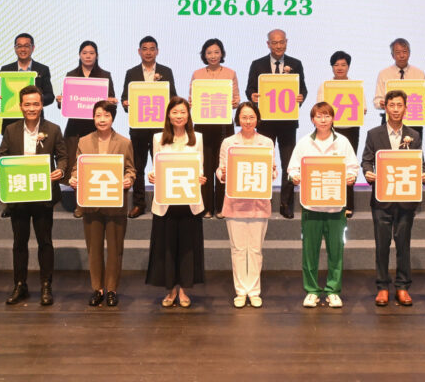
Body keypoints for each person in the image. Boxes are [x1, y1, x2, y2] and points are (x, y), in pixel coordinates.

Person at [0, 85, 67, 306]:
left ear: (41, 105)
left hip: (43, 194)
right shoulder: (11, 130)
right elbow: (1, 155)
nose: (31, 108)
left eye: (35, 104)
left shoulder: (53, 129)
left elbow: (63, 156)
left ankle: (46, 285)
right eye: (27, 104)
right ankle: (20, 285)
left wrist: (61, 170)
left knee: (45, 242)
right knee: (19, 243)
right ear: (20, 106)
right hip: (19, 194)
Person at [361, 89, 425, 307]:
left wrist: (424, 175)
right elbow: (366, 160)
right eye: (392, 105)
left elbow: (420, 162)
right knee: (382, 245)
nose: (396, 109)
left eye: (400, 105)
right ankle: (382, 286)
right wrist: (368, 172)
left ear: (406, 108)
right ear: (385, 107)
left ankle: (402, 286)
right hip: (382, 199)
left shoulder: (414, 135)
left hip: (405, 199)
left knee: (403, 244)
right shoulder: (374, 134)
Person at [288, 102, 359, 308]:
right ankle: (311, 290)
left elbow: (352, 167)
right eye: (319, 116)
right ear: (312, 119)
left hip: (336, 206)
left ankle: (333, 290)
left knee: (336, 251)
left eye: (327, 116)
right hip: (311, 206)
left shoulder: (343, 142)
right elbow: (292, 168)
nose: (323, 120)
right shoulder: (304, 143)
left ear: (333, 118)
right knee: (309, 251)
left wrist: (351, 176)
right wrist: (294, 177)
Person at [69, 100, 135, 307]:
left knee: (115, 249)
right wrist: (74, 178)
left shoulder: (124, 142)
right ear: (93, 118)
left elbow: (131, 169)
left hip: (115, 203)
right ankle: (97, 288)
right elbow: (77, 168)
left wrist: (129, 179)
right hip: (91, 203)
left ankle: (112, 289)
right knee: (94, 248)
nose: (102, 119)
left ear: (112, 118)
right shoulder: (84, 141)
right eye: (98, 115)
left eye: (106, 115)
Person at [145, 97, 207, 308]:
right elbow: (156, 166)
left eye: (182, 112)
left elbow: (200, 167)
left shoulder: (197, 138)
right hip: (166, 201)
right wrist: (152, 175)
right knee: (167, 247)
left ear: (188, 115)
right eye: (175, 112)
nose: (179, 116)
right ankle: (170, 290)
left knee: (188, 247)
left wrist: (200, 178)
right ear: (168, 116)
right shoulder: (158, 138)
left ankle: (183, 290)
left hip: (189, 201)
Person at [215, 102, 275, 308]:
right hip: (235, 203)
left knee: (256, 249)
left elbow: (272, 171)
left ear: (257, 119)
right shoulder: (228, 142)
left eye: (251, 117)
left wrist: (272, 171)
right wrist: (222, 174)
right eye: (244, 117)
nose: (248, 121)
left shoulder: (266, 142)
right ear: (238, 119)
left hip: (258, 202)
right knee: (239, 249)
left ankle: (254, 291)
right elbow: (220, 169)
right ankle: (241, 291)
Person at [246, 29, 308, 219]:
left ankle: (286, 204)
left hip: (288, 123)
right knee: (263, 163)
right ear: (268, 44)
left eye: (281, 42)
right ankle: (262, 201)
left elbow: (303, 89)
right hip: (266, 123)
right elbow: (250, 88)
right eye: (274, 42)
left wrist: (300, 97)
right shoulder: (257, 64)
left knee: (289, 163)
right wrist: (252, 96)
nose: (278, 46)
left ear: (286, 42)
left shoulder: (296, 64)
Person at [120, 36, 178, 219]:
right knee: (138, 166)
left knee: (162, 164)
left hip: (160, 129)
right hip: (138, 129)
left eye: (152, 49)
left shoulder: (166, 72)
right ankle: (139, 204)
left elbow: (173, 97)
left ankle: (163, 201)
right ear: (139, 51)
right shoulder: (131, 73)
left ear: (157, 51)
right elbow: (124, 97)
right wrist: (125, 103)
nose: (148, 52)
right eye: (144, 49)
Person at [61, 40, 117, 218]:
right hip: (75, 129)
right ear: (79, 55)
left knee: (95, 165)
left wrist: (111, 101)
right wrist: (60, 100)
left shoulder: (105, 76)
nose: (88, 56)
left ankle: (97, 202)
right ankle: (79, 204)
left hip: (96, 129)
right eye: (84, 53)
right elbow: (66, 104)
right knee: (76, 165)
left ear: (97, 55)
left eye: (91, 53)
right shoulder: (71, 75)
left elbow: (111, 102)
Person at [191, 38, 240, 219]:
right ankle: (206, 207)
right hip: (202, 126)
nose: (213, 56)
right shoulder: (197, 74)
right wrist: (192, 102)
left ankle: (221, 207)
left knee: (223, 166)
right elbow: (191, 98)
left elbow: (236, 99)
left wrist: (235, 102)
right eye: (209, 52)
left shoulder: (230, 73)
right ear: (204, 55)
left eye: (216, 52)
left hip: (223, 126)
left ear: (222, 54)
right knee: (204, 167)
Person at [316, 50, 365, 217]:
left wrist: (361, 110)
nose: (340, 68)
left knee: (349, 165)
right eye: (336, 65)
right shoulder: (325, 86)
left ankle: (348, 204)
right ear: (332, 67)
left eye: (343, 64)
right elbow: (319, 108)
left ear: (348, 67)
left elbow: (363, 107)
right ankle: (329, 202)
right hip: (330, 130)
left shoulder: (356, 86)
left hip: (351, 129)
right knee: (330, 166)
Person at [0, 33, 56, 134]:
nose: (23, 49)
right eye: (19, 46)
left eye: (26, 46)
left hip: (35, 122)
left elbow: (50, 96)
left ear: (33, 48)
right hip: (11, 123)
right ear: (15, 48)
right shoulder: (6, 69)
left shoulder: (42, 69)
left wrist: (36, 100)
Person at [373, 38, 425, 129]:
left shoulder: (419, 73)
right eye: (398, 52)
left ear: (409, 53)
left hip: (413, 122)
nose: (402, 55)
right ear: (392, 55)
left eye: (404, 52)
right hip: (390, 121)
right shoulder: (384, 73)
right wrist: (381, 103)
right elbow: (377, 100)